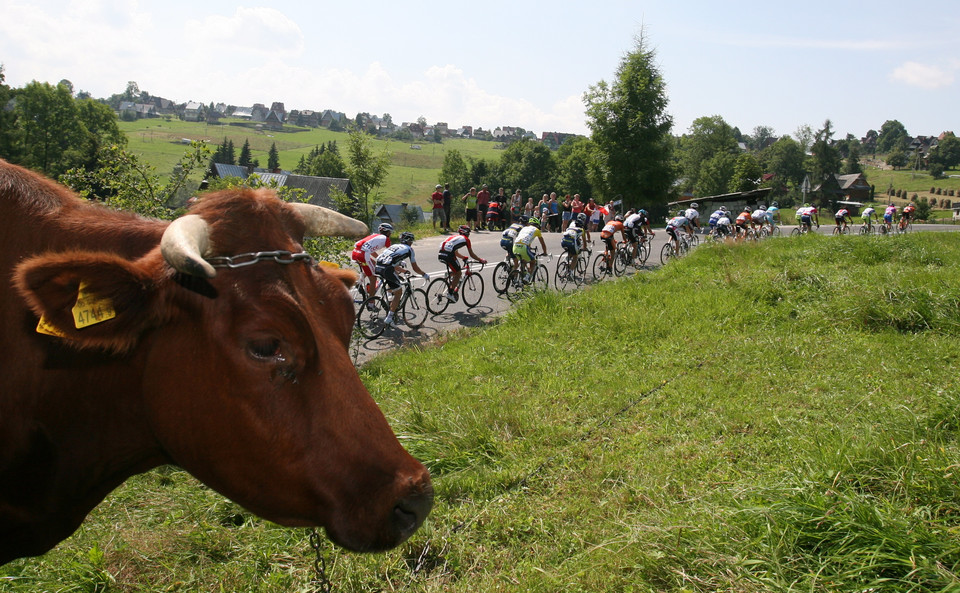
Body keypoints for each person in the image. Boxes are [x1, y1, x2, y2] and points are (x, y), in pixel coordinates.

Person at [374, 232, 429, 328]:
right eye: (411, 241)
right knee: (399, 292)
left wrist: (402, 270)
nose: (411, 243)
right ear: (409, 241)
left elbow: (390, 262)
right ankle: (389, 318)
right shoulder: (409, 249)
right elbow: (415, 268)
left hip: (378, 267)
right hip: (387, 269)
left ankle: (389, 299)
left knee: (393, 283)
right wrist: (424, 274)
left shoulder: (394, 246)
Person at [438, 225, 487, 302]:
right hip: (448, 255)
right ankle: (450, 293)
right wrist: (480, 260)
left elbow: (455, 252)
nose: (469, 235)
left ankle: (450, 275)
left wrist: (463, 257)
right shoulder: (466, 239)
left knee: (455, 270)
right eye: (469, 233)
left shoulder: (454, 237)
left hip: (441, 254)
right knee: (459, 273)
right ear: (466, 233)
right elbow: (471, 254)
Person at [351, 222, 393, 300]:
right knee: (373, 278)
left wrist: (378, 259)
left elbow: (370, 250)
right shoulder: (386, 239)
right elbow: (392, 253)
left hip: (355, 253)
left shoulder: (374, 236)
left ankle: (359, 281)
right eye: (390, 232)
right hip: (363, 255)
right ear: (388, 232)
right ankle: (371, 302)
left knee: (373, 263)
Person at [512, 216, 549, 281]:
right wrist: (545, 252)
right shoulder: (536, 230)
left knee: (523, 260)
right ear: (537, 225)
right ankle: (527, 278)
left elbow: (524, 239)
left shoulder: (524, 228)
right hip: (524, 247)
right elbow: (542, 243)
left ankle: (517, 279)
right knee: (533, 262)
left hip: (515, 246)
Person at [560, 213, 587, 279]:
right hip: (572, 241)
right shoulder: (582, 230)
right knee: (575, 256)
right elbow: (584, 241)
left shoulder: (572, 222)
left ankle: (566, 261)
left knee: (570, 251)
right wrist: (585, 248)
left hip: (563, 240)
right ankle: (571, 272)